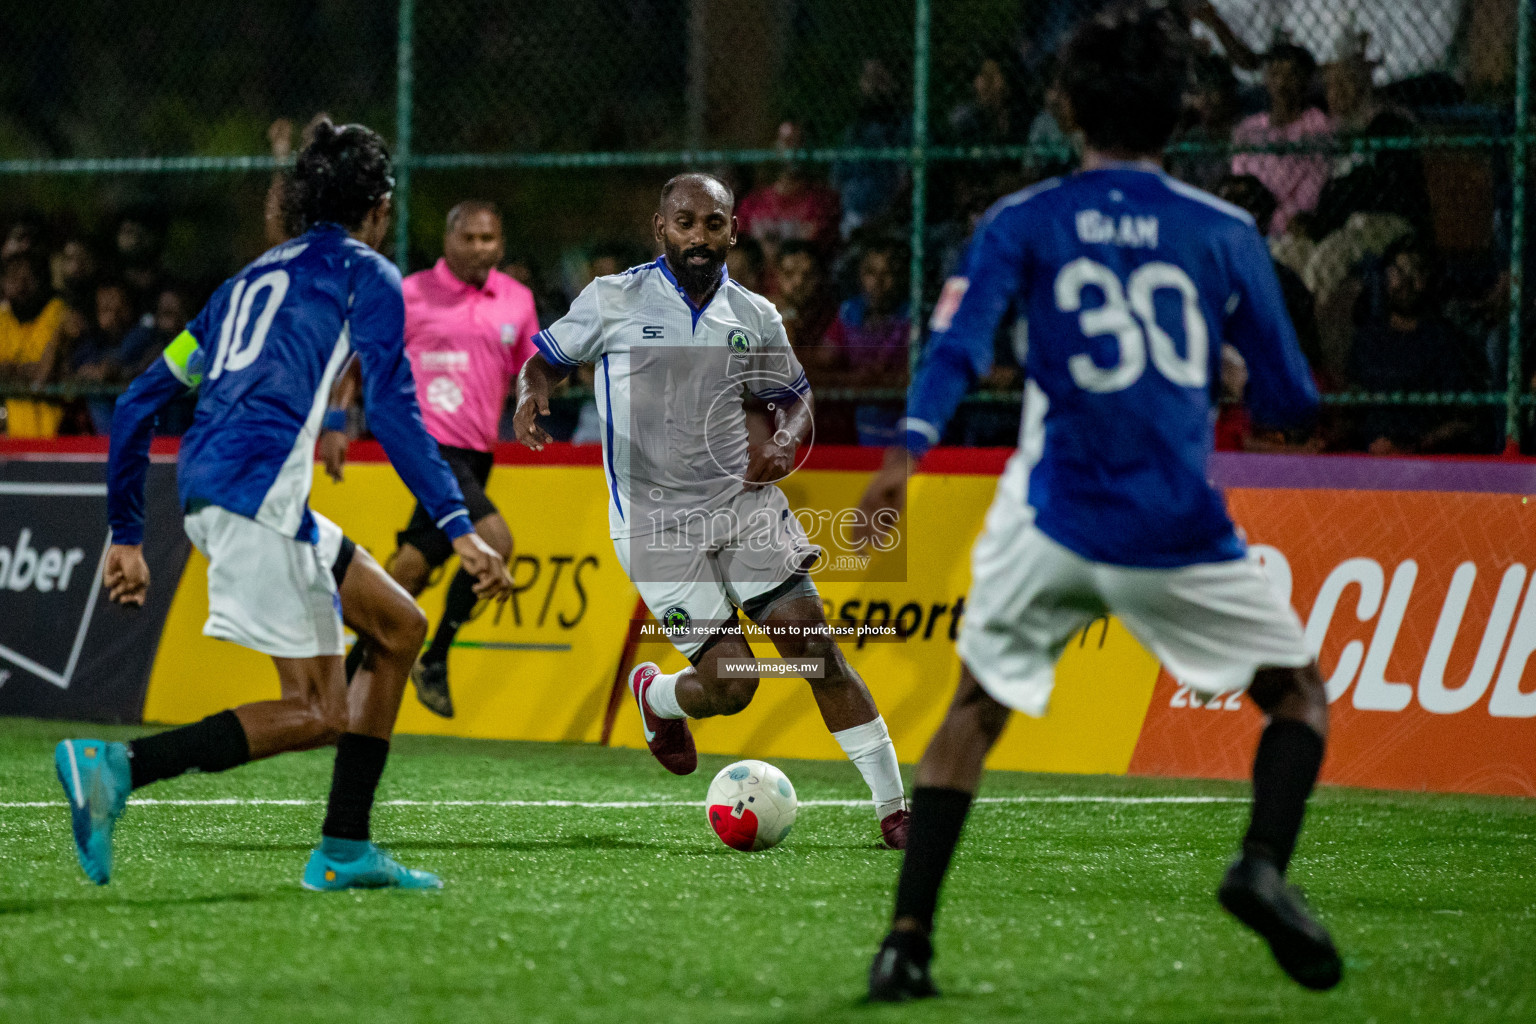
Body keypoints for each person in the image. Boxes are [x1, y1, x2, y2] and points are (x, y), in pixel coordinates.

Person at [856, 3, 1339, 1000]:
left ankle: (906, 938)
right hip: (1177, 525)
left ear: (1067, 104)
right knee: (1297, 696)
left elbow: (957, 346)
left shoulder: (1021, 220)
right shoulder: (1225, 230)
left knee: (974, 713)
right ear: (1182, 114)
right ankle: (1259, 865)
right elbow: (1295, 400)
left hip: (1051, 517)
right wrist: (1237, 373)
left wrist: (907, 452)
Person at [54, 119, 513, 891]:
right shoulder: (366, 274)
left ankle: (344, 849)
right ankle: (118, 767)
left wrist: (127, 534)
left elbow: (136, 404)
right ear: (380, 204)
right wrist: (459, 526)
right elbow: (396, 412)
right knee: (318, 712)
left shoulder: (242, 286)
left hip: (217, 488)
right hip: (259, 498)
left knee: (400, 626)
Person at [513, 173, 909, 849]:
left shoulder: (754, 314)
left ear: (734, 229)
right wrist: (531, 395)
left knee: (814, 651)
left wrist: (785, 442)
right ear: (660, 228)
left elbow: (794, 397)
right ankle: (659, 698)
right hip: (654, 524)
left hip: (741, 506)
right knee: (735, 683)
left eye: (714, 223)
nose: (700, 237)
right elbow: (545, 361)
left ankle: (896, 810)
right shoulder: (612, 298)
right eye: (686, 223)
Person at [325, 200, 537, 718]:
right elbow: (356, 357)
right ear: (449, 239)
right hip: (428, 443)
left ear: (501, 243)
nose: (480, 248)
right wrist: (336, 421)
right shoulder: (411, 293)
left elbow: (528, 368)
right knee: (496, 543)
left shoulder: (517, 300)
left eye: (489, 239)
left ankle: (341, 682)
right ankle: (435, 656)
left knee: (411, 572)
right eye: (470, 238)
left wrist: (534, 401)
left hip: (478, 450)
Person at [1230, 44, 1332, 237]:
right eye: (1275, 74)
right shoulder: (1249, 128)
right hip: (1248, 219)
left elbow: (1310, 194)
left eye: (1291, 75)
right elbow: (1239, 182)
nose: (1282, 84)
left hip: (1290, 228)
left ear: (1305, 81)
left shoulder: (1317, 125)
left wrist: (1273, 222)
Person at [822, 241, 910, 445]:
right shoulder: (849, 313)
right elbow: (822, 362)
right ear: (861, 276)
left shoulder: (911, 317)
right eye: (871, 273)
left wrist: (880, 380)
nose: (878, 282)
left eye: (888, 273)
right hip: (856, 425)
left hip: (901, 426)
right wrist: (851, 380)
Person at [735, 121, 841, 280]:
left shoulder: (823, 201)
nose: (793, 150)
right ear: (775, 148)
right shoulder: (753, 202)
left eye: (800, 142)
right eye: (787, 142)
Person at [0, 249, 68, 437]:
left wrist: (15, 370)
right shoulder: (3, 319)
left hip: (57, 435)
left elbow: (43, 375)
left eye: (28, 278)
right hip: (15, 438)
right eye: (13, 278)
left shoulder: (57, 311)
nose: (21, 286)